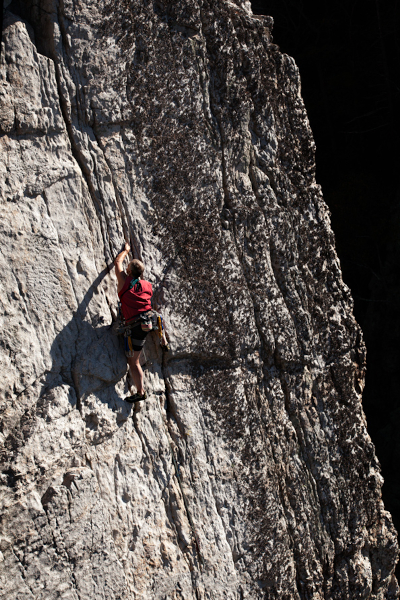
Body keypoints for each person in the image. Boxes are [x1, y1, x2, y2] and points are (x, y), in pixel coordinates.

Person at [114, 242, 153, 403]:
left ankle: (141, 391)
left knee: (133, 361)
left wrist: (125, 251)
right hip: (147, 322)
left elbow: (117, 263)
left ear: (128, 271)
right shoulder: (146, 285)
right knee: (136, 356)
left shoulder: (124, 281)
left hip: (135, 326)